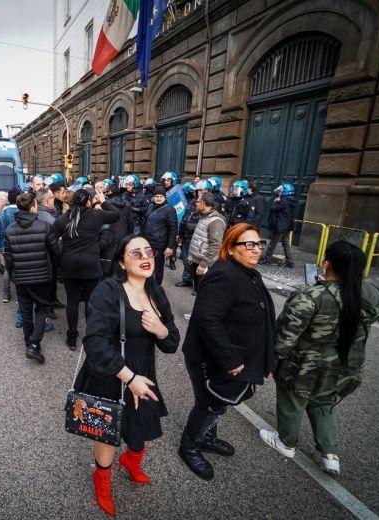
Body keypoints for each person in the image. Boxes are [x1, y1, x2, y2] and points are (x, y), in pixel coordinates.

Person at [75, 234, 180, 516]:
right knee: (108, 433)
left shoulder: (155, 292)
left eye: (149, 251)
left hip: (144, 373)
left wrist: (160, 329)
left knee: (140, 426)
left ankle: (132, 462)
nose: (145, 257)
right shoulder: (108, 291)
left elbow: (171, 343)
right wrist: (129, 378)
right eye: (136, 253)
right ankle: (103, 479)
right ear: (122, 261)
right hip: (111, 373)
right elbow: (94, 343)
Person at [260, 241, 379, 476]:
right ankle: (330, 454)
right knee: (325, 403)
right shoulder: (372, 295)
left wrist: (272, 362)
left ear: (326, 264)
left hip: (305, 368)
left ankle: (286, 443)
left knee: (293, 402)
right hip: (346, 367)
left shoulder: (310, 296)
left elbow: (285, 337)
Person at [179, 223, 275, 481]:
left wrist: (268, 357)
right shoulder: (224, 275)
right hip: (210, 359)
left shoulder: (247, 271)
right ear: (231, 249)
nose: (256, 250)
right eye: (249, 245)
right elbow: (207, 318)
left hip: (236, 357)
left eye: (259, 244)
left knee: (220, 403)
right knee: (209, 404)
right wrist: (229, 359)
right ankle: (189, 446)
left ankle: (207, 436)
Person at [55, 189, 119, 350]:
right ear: (88, 201)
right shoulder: (95, 216)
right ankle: (91, 335)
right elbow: (116, 214)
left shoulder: (63, 219)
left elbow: (52, 237)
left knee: (72, 301)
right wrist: (103, 201)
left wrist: (60, 252)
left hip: (69, 265)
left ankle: (72, 336)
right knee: (91, 301)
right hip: (90, 264)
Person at [4, 193, 61, 363]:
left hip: (21, 277)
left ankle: (28, 341)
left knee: (26, 310)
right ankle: (34, 344)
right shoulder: (44, 227)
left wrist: (13, 275)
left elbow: (9, 258)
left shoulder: (10, 230)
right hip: (42, 276)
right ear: (33, 207)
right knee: (42, 308)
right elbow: (55, 251)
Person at [186, 192, 226, 293]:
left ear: (203, 203)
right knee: (198, 289)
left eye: (197, 201)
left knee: (204, 292)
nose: (196, 203)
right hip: (197, 261)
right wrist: (192, 256)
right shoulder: (204, 216)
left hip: (205, 263)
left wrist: (204, 264)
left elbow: (216, 245)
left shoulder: (215, 221)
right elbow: (199, 238)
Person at [142, 186, 177, 285]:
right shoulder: (150, 206)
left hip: (160, 245)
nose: (158, 198)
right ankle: (147, 287)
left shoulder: (170, 210)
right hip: (148, 244)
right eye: (156, 196)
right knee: (147, 266)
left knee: (157, 270)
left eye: (161, 196)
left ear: (165, 198)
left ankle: (157, 289)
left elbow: (173, 229)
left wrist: (170, 247)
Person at [260, 183, 297, 268]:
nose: (279, 192)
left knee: (273, 243)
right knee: (286, 244)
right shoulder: (292, 200)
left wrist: (276, 202)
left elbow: (273, 208)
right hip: (287, 225)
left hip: (280, 225)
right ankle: (290, 262)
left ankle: (267, 259)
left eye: (281, 191)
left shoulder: (284, 201)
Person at [0, 187, 21, 303]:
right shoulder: (22, 211)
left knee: (7, 269)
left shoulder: (3, 212)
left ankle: (6, 294)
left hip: (6, 245)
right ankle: (20, 295)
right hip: (20, 246)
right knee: (20, 270)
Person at [175, 182, 199, 288]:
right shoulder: (191, 203)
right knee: (186, 260)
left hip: (197, 238)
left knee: (195, 261)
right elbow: (184, 218)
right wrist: (179, 233)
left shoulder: (210, 204)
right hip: (186, 236)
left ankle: (197, 283)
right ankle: (187, 279)